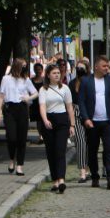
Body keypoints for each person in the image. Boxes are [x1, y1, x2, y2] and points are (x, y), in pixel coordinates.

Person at [78, 55, 110, 190]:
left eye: (108, 66)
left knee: (109, 149)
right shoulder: (86, 81)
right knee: (92, 150)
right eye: (104, 66)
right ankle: (95, 176)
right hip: (92, 122)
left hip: (109, 121)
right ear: (96, 67)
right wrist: (86, 118)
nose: (107, 69)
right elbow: (82, 102)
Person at [0, 58, 38, 176]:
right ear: (17, 66)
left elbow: (35, 93)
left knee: (22, 138)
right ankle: (12, 158)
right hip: (9, 109)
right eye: (23, 66)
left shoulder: (26, 80)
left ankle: (20, 165)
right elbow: (1, 96)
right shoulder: (6, 79)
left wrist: (28, 98)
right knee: (12, 137)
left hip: (22, 108)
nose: (25, 68)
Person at [38, 64, 75, 194]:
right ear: (48, 75)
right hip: (49, 120)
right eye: (54, 73)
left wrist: (72, 125)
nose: (57, 75)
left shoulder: (65, 88)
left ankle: (61, 179)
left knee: (60, 150)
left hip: (62, 120)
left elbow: (69, 107)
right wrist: (45, 120)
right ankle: (55, 179)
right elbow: (42, 106)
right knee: (51, 151)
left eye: (58, 73)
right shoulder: (43, 90)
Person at [70, 63, 91, 183]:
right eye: (78, 68)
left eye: (82, 68)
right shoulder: (72, 83)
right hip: (76, 114)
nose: (80, 70)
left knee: (90, 143)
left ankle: (89, 169)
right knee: (80, 142)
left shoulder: (91, 82)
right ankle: (83, 171)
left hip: (90, 114)